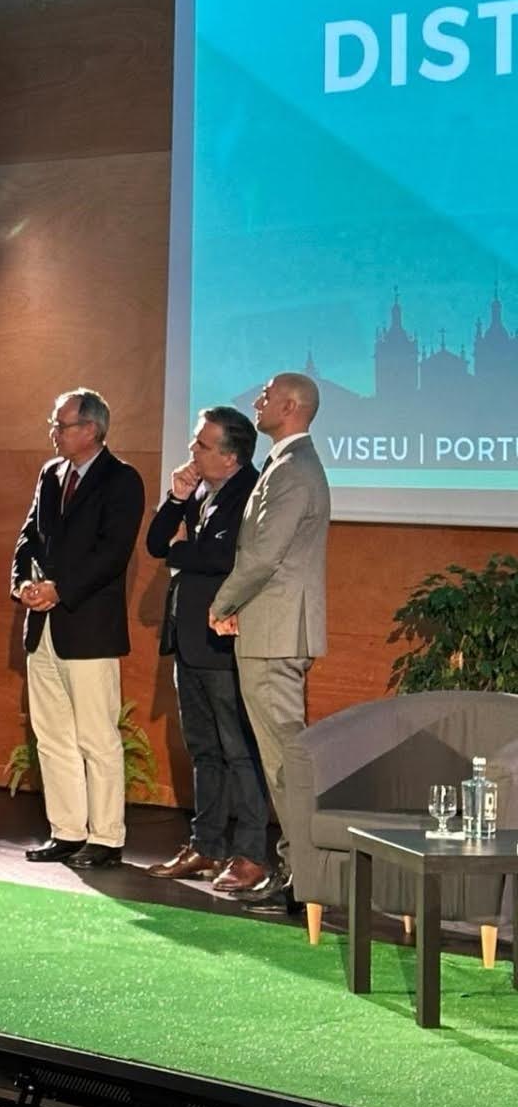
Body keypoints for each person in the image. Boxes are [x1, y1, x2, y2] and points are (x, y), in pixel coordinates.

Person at [11, 388, 145, 869]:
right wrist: (24, 585)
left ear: (91, 429)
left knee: (96, 735)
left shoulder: (122, 480)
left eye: (61, 425)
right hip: (42, 626)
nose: (54, 432)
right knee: (51, 736)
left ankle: (106, 837)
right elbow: (28, 536)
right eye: (55, 424)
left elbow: (112, 554)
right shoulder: (50, 474)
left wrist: (60, 590)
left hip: (88, 628)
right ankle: (67, 831)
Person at [209, 372, 330, 901]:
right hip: (270, 630)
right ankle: (299, 875)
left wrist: (222, 604)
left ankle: (304, 879)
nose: (257, 399)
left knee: (285, 765)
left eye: (266, 394)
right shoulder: (286, 463)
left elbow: (262, 556)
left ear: (290, 406)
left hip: (276, 635)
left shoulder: (293, 469)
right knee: (283, 761)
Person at [145, 407, 269, 893]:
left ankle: (251, 852)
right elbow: (156, 542)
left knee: (238, 750)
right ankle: (206, 845)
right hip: (188, 639)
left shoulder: (250, 491)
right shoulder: (198, 490)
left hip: (222, 641)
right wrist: (177, 498)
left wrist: (181, 551)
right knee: (203, 749)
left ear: (230, 456)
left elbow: (223, 557)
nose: (191, 451)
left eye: (201, 444)